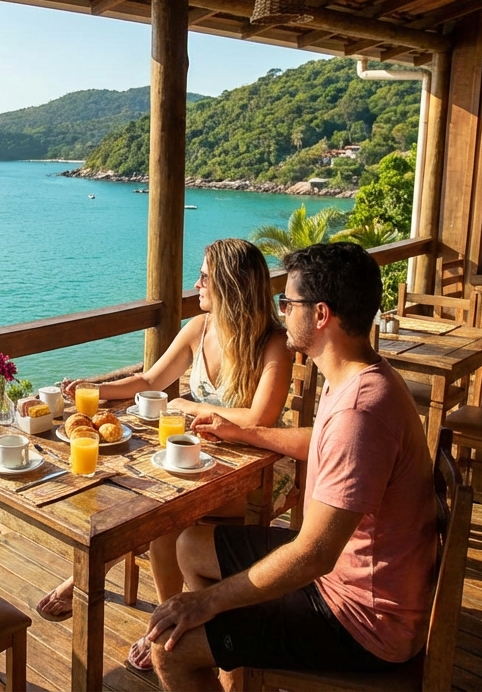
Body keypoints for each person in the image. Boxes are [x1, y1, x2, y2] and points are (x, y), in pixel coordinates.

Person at [145, 242, 437, 690]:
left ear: (320, 315)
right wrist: (245, 432)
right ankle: (232, 658)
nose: (281, 313)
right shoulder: (359, 377)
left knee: (171, 651)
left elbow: (313, 556)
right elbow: (320, 441)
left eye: (289, 303)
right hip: (345, 581)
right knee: (190, 545)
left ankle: (217, 648)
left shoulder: (359, 412)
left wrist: (207, 604)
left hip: (361, 619)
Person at [36, 238, 293, 670]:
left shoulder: (273, 343)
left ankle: (155, 619)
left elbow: (261, 417)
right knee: (151, 506)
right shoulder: (199, 329)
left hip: (260, 468)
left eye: (205, 277)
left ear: (230, 285)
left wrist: (191, 406)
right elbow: (150, 380)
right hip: (199, 458)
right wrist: (93, 390)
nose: (196, 285)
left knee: (162, 514)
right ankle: (167, 618)